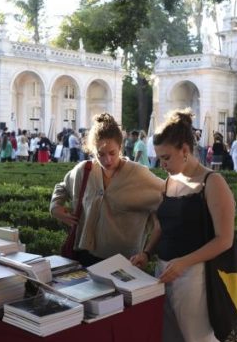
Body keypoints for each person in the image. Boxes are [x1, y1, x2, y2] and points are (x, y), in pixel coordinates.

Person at [131, 108, 235, 342]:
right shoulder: (171, 181)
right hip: (165, 272)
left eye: (166, 157)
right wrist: (147, 253)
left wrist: (184, 263)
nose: (161, 164)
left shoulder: (213, 182)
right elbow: (163, 226)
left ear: (185, 151)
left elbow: (224, 240)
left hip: (197, 276)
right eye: (159, 158)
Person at [50, 113, 163, 267]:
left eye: (112, 153)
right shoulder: (84, 170)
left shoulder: (138, 174)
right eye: (100, 154)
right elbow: (62, 186)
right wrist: (55, 206)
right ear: (92, 150)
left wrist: (148, 251)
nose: (107, 160)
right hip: (85, 256)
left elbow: (167, 195)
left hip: (125, 261)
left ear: (120, 148)